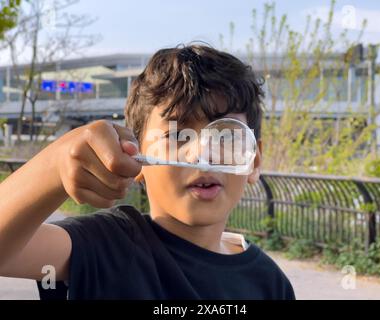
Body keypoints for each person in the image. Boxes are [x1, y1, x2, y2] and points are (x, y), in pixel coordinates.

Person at [0, 44, 295, 299]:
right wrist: (54, 165)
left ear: (253, 161)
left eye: (226, 136)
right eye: (177, 135)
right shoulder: (104, 246)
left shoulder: (270, 283)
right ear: (136, 155)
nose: (202, 155)